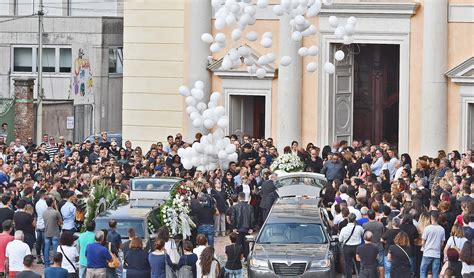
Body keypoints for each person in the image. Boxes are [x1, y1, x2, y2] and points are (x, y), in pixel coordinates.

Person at [420, 211, 446, 278]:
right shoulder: (442, 229)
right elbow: (442, 243)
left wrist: (425, 247)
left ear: (431, 218)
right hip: (436, 254)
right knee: (435, 273)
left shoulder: (427, 228)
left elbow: (423, 242)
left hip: (427, 252)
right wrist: (438, 249)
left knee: (423, 271)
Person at [339, 213, 364, 278]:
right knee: (358, 263)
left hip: (347, 247)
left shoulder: (344, 229)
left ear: (348, 219)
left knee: (348, 264)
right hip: (357, 247)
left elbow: (340, 240)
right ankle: (360, 276)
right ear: (355, 219)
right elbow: (363, 235)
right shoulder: (359, 228)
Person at [231, 192, 255, 260]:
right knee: (246, 245)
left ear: (238, 198)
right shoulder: (250, 207)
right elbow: (252, 218)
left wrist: (233, 227)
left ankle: (238, 258)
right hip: (246, 228)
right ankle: (246, 258)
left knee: (238, 244)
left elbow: (233, 218)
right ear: (245, 198)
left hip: (238, 228)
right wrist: (251, 227)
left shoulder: (235, 207)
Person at [43, 197, 63, 267]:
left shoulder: (44, 212)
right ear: (52, 203)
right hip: (55, 232)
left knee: (46, 249)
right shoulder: (55, 212)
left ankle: (46, 264)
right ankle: (56, 263)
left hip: (47, 232)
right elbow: (61, 222)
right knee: (55, 249)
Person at [34, 190, 48, 264]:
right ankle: (43, 258)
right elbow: (46, 214)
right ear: (44, 195)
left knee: (38, 242)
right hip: (43, 224)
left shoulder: (37, 203)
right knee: (44, 242)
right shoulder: (44, 203)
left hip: (39, 224)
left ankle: (38, 257)